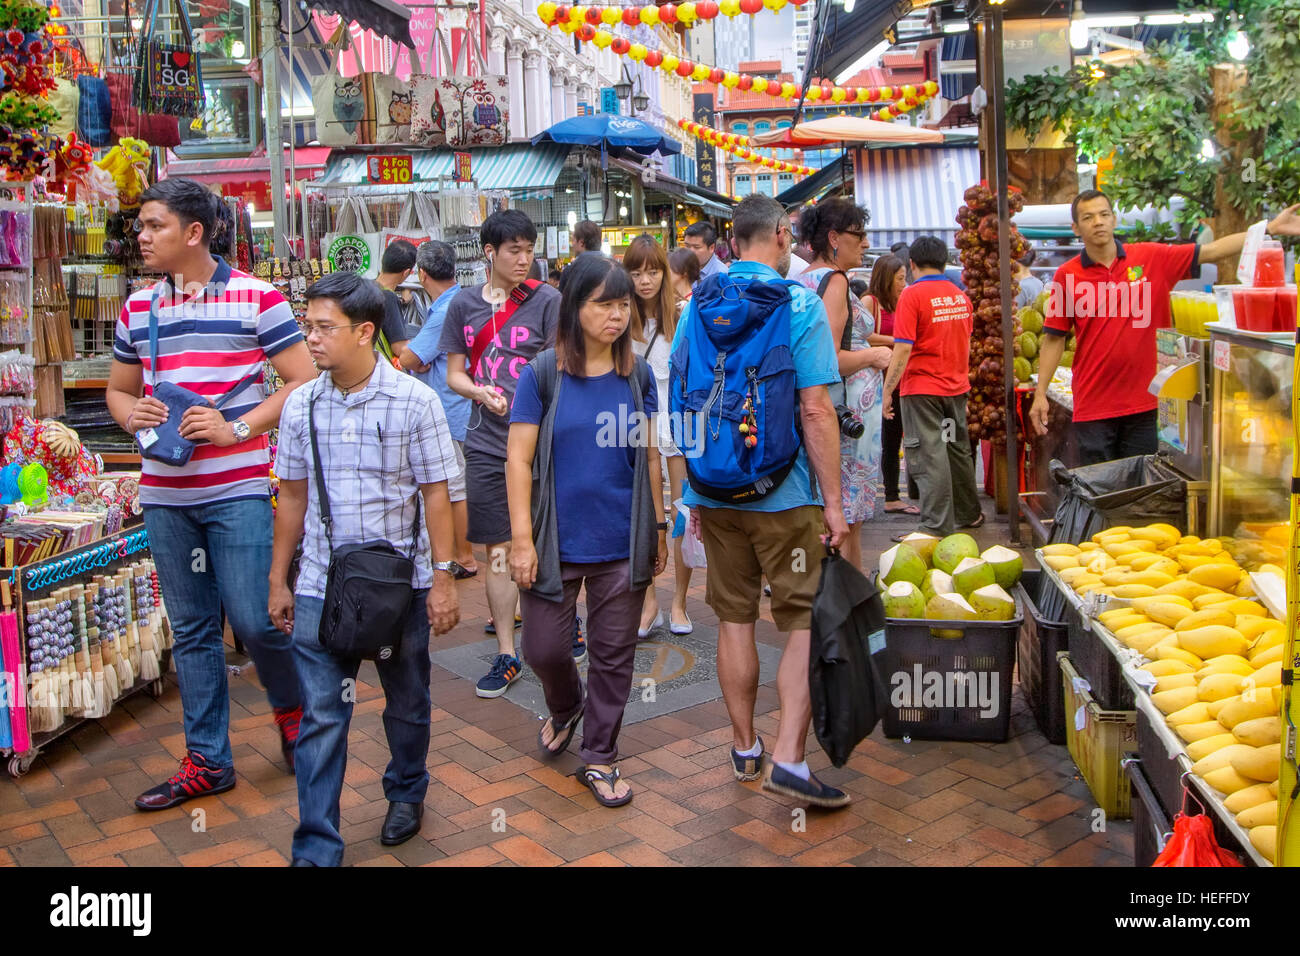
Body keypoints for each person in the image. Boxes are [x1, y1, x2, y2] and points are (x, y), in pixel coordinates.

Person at [106, 178, 314, 809]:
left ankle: (292, 709)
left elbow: (303, 381)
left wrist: (238, 427)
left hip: (237, 488)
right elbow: (118, 390)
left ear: (194, 232)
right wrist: (130, 414)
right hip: (165, 494)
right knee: (193, 629)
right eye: (139, 227)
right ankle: (207, 760)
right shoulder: (138, 308)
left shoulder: (260, 298)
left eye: (153, 226)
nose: (140, 237)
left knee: (255, 619)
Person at [268, 271, 460, 866]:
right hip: (322, 583)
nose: (312, 339)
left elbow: (437, 492)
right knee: (322, 714)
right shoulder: (300, 404)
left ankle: (407, 790)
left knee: (407, 699)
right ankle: (317, 844)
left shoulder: (415, 400)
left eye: (325, 328)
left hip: (399, 583)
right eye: (308, 326)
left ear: (365, 333)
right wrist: (280, 579)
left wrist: (445, 576)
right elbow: (292, 497)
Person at [676, 195, 850, 808]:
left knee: (732, 619)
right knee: (800, 622)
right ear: (781, 235)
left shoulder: (694, 305)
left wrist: (693, 488)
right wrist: (834, 505)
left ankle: (744, 745)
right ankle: (789, 757)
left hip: (716, 494)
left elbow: (682, 399)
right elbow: (815, 408)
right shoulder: (799, 302)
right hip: (787, 495)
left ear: (732, 237)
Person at [507, 255, 667, 808]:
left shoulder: (638, 374)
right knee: (545, 648)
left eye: (624, 304)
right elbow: (517, 461)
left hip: (621, 540)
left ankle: (600, 754)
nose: (618, 315)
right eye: (605, 303)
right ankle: (566, 704)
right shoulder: (542, 375)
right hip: (553, 539)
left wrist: (660, 523)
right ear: (574, 307)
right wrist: (521, 540)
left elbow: (649, 455)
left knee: (614, 653)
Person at [1031, 189, 1300, 464]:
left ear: (1114, 220)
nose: (1098, 222)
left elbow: (1214, 250)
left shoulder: (1152, 258)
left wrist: (1270, 227)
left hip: (1146, 405)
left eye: (1104, 214)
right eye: (1088, 217)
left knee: (1143, 494)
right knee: (1098, 494)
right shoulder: (1067, 275)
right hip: (1093, 407)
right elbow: (1054, 338)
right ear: (1076, 227)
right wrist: (1040, 393)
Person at [438, 209, 567, 698]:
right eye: (514, 250)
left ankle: (559, 625)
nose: (524, 259)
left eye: (529, 250)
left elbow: (563, 367)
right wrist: (478, 392)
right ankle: (507, 651)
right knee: (496, 549)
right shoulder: (462, 306)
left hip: (540, 440)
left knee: (546, 536)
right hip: (487, 441)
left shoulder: (548, 300)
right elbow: (454, 372)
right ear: (489, 253)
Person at [795, 199, 892, 573]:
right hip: (845, 420)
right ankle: (849, 602)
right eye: (858, 234)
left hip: (829, 415)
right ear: (834, 238)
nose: (865, 243)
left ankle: (831, 593)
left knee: (831, 513)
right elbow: (829, 361)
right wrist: (872, 358)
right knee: (847, 517)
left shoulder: (801, 279)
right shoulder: (833, 282)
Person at [881, 235, 981, 540]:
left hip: (923, 391)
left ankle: (934, 526)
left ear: (911, 264)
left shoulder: (913, 296)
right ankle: (968, 514)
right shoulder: (960, 297)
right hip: (955, 389)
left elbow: (902, 349)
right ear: (943, 260)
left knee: (929, 454)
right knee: (954, 449)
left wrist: (888, 390)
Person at [624, 235, 693, 636]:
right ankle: (649, 600)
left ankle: (680, 602)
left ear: (665, 273)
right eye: (636, 272)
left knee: (682, 509)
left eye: (653, 271)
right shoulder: (621, 315)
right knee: (644, 511)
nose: (645, 280)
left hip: (680, 417)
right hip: (635, 417)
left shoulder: (683, 315)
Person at [399, 240, 476, 578]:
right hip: (463, 408)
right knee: (456, 484)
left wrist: (412, 358)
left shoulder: (445, 310)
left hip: (451, 410)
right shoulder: (464, 300)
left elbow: (410, 358)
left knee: (453, 487)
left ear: (422, 274)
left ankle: (464, 557)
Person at [861, 254, 918, 515]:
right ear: (886, 278)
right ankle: (891, 496)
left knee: (911, 437)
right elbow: (862, 335)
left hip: (905, 378)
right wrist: (894, 340)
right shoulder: (869, 302)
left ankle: (913, 492)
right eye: (900, 279)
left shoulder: (904, 301)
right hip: (880, 380)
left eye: (905, 278)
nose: (903, 283)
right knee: (889, 439)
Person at [373, 240, 415, 359]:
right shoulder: (388, 297)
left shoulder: (367, 288)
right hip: (380, 367)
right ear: (406, 273)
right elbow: (399, 347)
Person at [666, 247, 699, 312]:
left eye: (668, 269)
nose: (665, 273)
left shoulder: (688, 304)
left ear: (684, 271)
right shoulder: (677, 298)